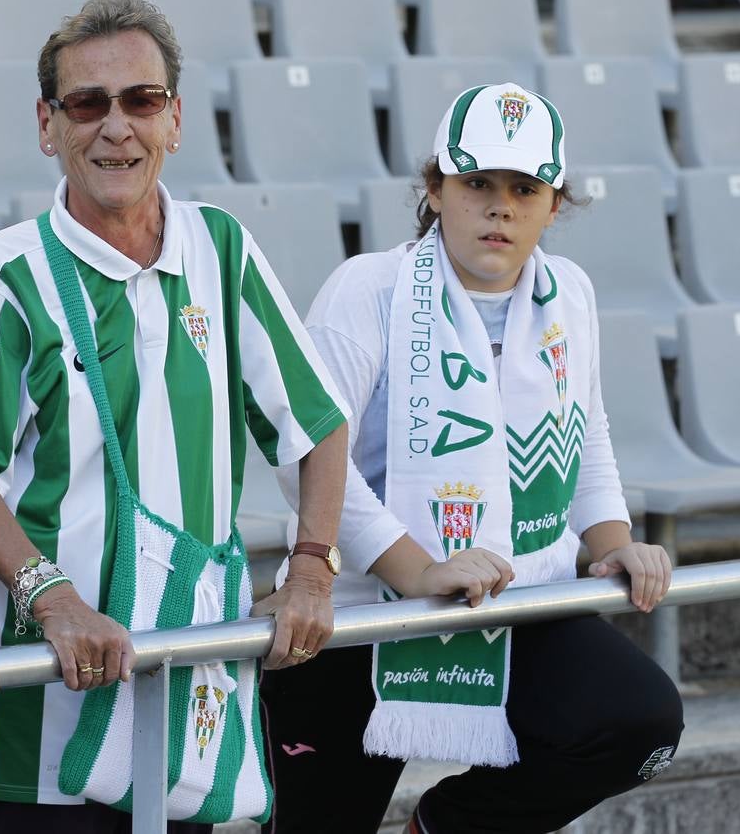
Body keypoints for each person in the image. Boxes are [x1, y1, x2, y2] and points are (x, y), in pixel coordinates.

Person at [0, 0, 352, 833]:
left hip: (188, 686)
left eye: (140, 101)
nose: (114, 126)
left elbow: (316, 422)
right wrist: (51, 599)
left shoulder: (220, 245)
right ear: (47, 126)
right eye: (86, 103)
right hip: (39, 709)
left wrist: (311, 567)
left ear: (175, 119)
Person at [261, 84, 684, 833]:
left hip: (516, 596)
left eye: (524, 189)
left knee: (639, 723)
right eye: (476, 183)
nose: (499, 207)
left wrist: (613, 546)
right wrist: (417, 571)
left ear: (554, 204)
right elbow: (303, 455)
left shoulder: (570, 294)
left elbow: (581, 435)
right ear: (435, 188)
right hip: (361, 615)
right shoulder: (369, 289)